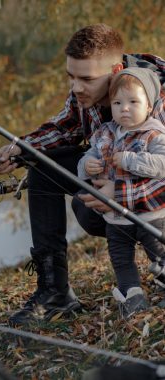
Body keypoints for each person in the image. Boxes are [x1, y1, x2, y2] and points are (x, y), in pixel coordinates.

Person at [0, 23, 165, 326]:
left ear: (115, 69)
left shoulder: (157, 97)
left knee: (91, 204)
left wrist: (118, 194)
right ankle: (55, 293)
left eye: (85, 78)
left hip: (155, 201)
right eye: (71, 77)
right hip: (122, 189)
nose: (76, 87)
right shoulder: (87, 94)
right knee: (42, 167)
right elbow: (62, 128)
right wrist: (19, 149)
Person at [78, 67, 165, 319]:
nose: (124, 108)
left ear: (149, 106)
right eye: (117, 102)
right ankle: (132, 296)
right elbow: (87, 158)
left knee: (159, 256)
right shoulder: (105, 132)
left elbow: (162, 165)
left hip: (151, 216)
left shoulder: (154, 134)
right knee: (120, 260)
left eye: (133, 102)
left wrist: (129, 160)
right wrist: (87, 165)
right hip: (115, 219)